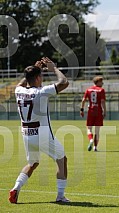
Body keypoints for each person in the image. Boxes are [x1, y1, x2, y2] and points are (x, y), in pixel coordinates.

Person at [9, 57, 69, 203]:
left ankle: (16, 188)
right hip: (42, 134)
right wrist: (53, 68)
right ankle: (60, 196)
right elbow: (64, 82)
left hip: (27, 134)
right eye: (40, 75)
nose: (42, 78)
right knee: (62, 159)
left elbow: (23, 83)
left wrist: (33, 69)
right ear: (37, 78)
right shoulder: (41, 91)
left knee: (32, 163)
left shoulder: (18, 90)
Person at [80, 76, 106, 152]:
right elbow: (103, 102)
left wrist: (81, 109)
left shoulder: (88, 90)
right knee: (97, 131)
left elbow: (83, 100)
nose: (102, 83)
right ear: (97, 82)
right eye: (101, 82)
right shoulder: (101, 90)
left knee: (89, 128)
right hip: (98, 111)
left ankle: (91, 140)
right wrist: (104, 111)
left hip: (90, 111)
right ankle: (95, 147)